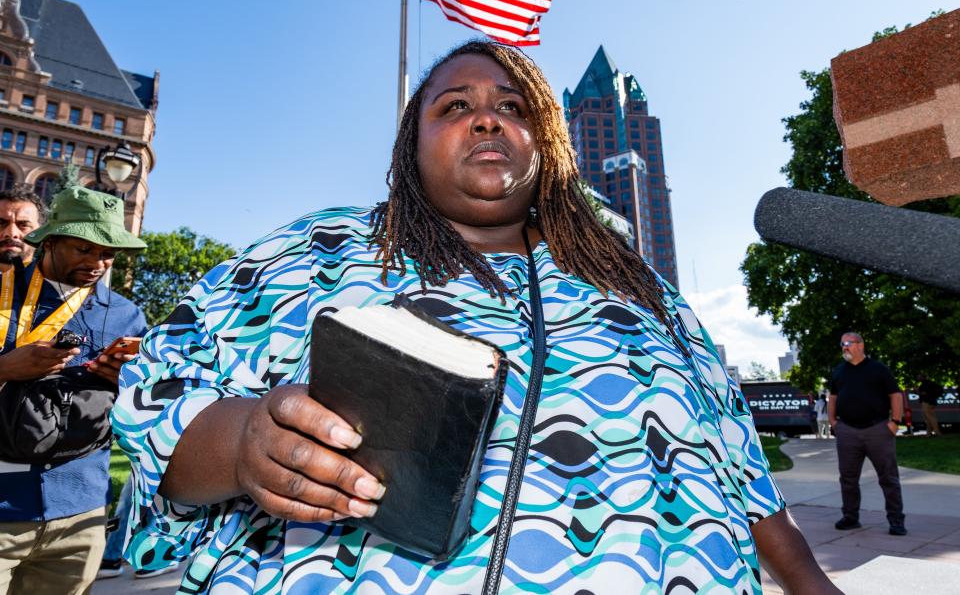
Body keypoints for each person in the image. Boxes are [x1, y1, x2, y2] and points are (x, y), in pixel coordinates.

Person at [114, 40, 839, 594]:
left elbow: (740, 463)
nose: (487, 115)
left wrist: (815, 586)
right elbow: (156, 394)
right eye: (454, 105)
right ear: (412, 143)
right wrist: (245, 440)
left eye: (513, 106)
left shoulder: (642, 287)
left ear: (548, 141)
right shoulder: (319, 249)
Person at [0, 186, 148, 594]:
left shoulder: (128, 316)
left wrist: (127, 382)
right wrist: (7, 367)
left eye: (108, 253)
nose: (97, 262)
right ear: (49, 240)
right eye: (83, 248)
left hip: (79, 512)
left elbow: (146, 404)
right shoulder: (3, 293)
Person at [827, 332, 906, 536]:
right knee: (848, 478)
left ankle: (896, 520)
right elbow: (833, 398)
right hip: (847, 431)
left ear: (860, 345)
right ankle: (850, 517)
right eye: (842, 344)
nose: (844, 347)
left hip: (878, 430)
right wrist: (834, 423)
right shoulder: (838, 372)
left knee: (888, 478)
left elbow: (895, 395)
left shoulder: (878, 369)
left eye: (848, 343)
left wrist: (895, 422)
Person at [0, 185, 44, 273]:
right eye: (1, 223)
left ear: (40, 232)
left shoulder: (55, 286)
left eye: (23, 225)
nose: (12, 233)